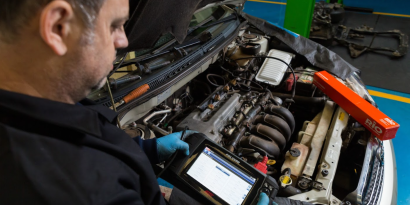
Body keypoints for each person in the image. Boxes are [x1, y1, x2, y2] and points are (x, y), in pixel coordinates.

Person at [0, 0, 270, 204]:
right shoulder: (89, 190)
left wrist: (145, 149)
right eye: (114, 26)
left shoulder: (47, 100)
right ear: (59, 27)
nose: (123, 40)